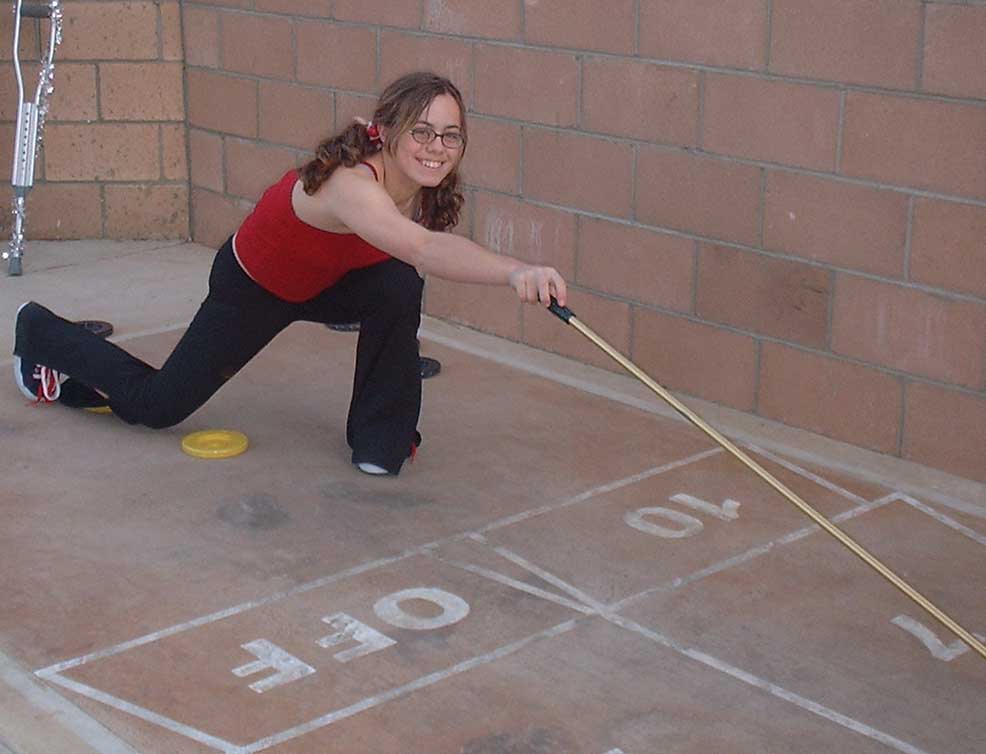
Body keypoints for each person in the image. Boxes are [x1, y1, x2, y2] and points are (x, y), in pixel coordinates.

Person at [11, 71, 567, 476]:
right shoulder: (352, 184)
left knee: (397, 284)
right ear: (386, 130)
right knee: (156, 406)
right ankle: (39, 331)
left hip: (332, 284)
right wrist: (515, 271)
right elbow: (422, 245)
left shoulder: (423, 181)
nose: (437, 147)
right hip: (256, 288)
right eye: (422, 131)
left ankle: (381, 441)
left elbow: (414, 252)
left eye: (451, 135)